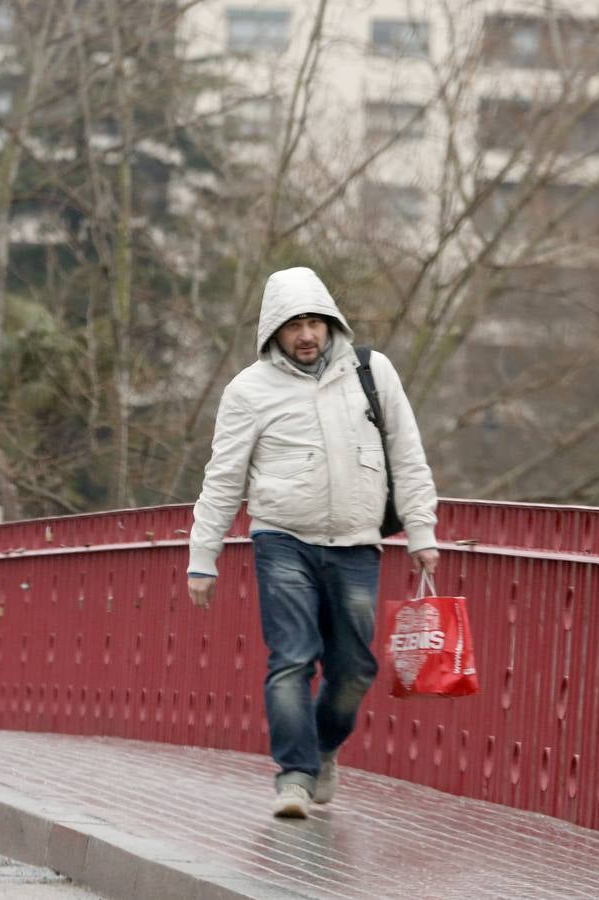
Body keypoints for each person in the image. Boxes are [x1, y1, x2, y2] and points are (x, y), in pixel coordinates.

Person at [187, 266, 439, 819]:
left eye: (313, 323)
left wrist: (422, 531)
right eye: (292, 325)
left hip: (356, 543)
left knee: (355, 670)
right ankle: (294, 777)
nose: (305, 335)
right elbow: (224, 476)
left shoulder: (372, 371)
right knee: (292, 659)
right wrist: (202, 556)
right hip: (283, 540)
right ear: (273, 333)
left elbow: (407, 454)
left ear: (330, 324)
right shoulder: (249, 390)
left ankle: (322, 749)